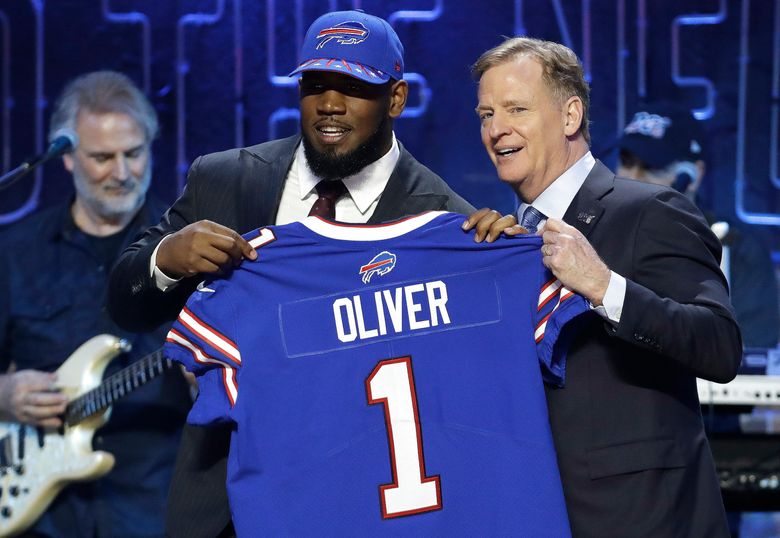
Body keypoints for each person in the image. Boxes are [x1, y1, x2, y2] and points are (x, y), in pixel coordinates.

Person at [107, 10, 473, 538]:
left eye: (352, 87)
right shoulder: (223, 180)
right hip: (225, 510)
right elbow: (125, 302)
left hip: (361, 507)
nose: (329, 104)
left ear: (396, 99)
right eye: (315, 85)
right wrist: (165, 260)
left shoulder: (443, 223)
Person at [464, 37, 742, 537]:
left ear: (570, 116)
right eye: (486, 114)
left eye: (515, 109)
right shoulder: (502, 238)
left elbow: (719, 347)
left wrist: (603, 285)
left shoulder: (650, 211)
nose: (495, 129)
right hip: (533, 513)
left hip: (642, 521)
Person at [0, 71, 192, 536]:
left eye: (134, 153)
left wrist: (210, 379)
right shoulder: (14, 251)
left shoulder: (188, 251)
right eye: (103, 158)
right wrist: (3, 396)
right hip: (41, 514)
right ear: (65, 158)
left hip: (151, 505)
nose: (122, 173)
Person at [617, 102, 779, 348]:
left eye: (652, 167)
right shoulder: (594, 236)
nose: (633, 178)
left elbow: (752, 354)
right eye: (627, 162)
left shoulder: (738, 253)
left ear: (694, 174)